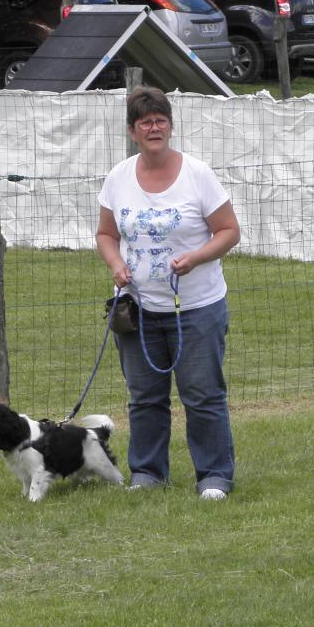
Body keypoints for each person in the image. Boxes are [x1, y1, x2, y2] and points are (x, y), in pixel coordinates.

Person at [96, 86, 241, 499]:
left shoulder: (198, 175)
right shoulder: (118, 178)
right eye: (146, 122)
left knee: (202, 395)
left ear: (170, 127)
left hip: (196, 307)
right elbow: (106, 234)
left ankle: (214, 477)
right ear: (133, 132)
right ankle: (147, 474)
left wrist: (196, 257)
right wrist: (115, 264)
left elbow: (229, 231)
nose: (154, 127)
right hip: (138, 310)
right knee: (144, 398)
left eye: (160, 120)